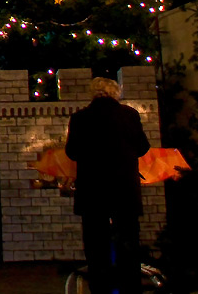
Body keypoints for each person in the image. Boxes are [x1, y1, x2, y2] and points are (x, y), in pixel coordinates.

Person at [65, 77, 151, 294]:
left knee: (96, 245)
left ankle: (100, 286)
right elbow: (142, 147)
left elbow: (72, 152)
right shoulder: (129, 115)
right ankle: (129, 286)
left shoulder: (80, 118)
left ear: (93, 93)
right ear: (115, 92)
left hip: (92, 190)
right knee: (128, 241)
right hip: (124, 189)